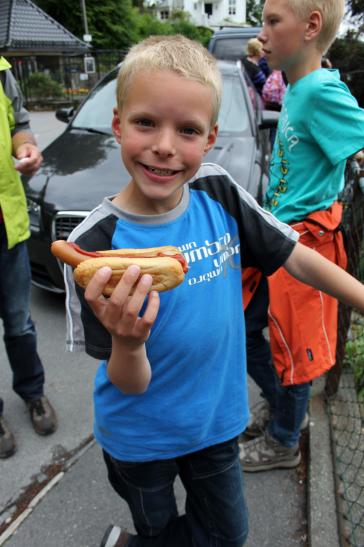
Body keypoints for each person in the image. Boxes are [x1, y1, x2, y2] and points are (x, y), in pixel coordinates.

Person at [63, 35, 364, 547]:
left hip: (217, 424)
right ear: (118, 125)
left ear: (209, 139)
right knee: (158, 527)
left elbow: (295, 255)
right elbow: (127, 383)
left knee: (229, 534)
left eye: (187, 130)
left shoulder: (218, 192)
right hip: (139, 438)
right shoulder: (92, 247)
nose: (164, 144)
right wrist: (129, 342)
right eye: (145, 122)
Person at [240, 0, 364, 473]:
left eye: (273, 21)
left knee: (294, 346)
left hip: (305, 244)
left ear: (311, 27)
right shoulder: (295, 89)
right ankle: (282, 409)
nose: (263, 33)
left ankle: (285, 439)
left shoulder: (320, 92)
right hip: (277, 238)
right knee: (251, 329)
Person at [0, 57, 57, 459]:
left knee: (19, 322)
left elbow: (19, 125)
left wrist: (27, 147)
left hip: (8, 227)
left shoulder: (1, 71)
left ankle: (33, 393)